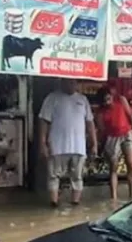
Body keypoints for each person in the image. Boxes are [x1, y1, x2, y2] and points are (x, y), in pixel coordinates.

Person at [38, 79, 97, 208]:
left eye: (74, 82)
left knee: (77, 177)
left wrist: (94, 143)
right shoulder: (52, 98)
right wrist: (42, 143)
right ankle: (54, 203)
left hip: (78, 147)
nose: (71, 85)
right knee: (53, 176)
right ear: (62, 83)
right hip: (57, 146)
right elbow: (44, 121)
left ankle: (75, 203)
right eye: (68, 82)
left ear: (77, 84)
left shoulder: (83, 99)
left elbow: (90, 123)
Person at [97, 86, 132, 204]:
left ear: (111, 95)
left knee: (131, 165)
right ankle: (113, 197)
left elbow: (130, 117)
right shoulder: (100, 112)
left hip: (126, 134)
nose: (107, 102)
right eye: (105, 101)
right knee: (113, 168)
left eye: (108, 98)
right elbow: (102, 130)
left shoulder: (121, 100)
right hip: (111, 138)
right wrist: (101, 145)